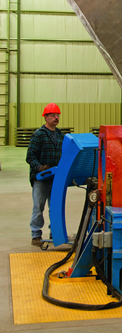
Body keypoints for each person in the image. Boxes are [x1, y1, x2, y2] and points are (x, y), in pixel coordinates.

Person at [26, 103, 64, 247]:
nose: (56, 117)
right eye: (53, 115)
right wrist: (39, 167)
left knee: (54, 207)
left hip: (56, 178)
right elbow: (30, 156)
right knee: (38, 206)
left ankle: (55, 233)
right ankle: (36, 236)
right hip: (41, 179)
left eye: (58, 115)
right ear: (46, 117)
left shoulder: (60, 135)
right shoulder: (38, 135)